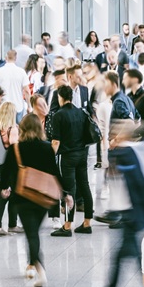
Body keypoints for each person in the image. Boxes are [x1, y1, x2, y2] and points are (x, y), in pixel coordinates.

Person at [85, 119, 144, 287]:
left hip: (131, 216)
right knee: (132, 262)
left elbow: (135, 184)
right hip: (130, 215)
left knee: (133, 264)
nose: (112, 135)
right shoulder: (125, 153)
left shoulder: (124, 154)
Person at [0, 114, 67, 287]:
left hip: (22, 197)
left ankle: (40, 270)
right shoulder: (46, 148)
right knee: (33, 232)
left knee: (32, 234)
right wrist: (66, 193)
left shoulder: (16, 149)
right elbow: (55, 172)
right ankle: (31, 265)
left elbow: (5, 171)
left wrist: (4, 188)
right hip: (42, 198)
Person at [49, 85, 95, 236]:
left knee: (69, 190)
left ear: (60, 97)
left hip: (67, 157)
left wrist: (49, 158)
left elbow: (56, 141)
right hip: (82, 155)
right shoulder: (81, 112)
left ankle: (67, 226)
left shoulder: (58, 115)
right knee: (85, 186)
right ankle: (87, 223)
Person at [0, 102, 21, 236]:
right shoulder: (12, 129)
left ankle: (12, 224)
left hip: (0, 165)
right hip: (11, 166)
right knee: (7, 195)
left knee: (10, 194)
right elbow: (15, 149)